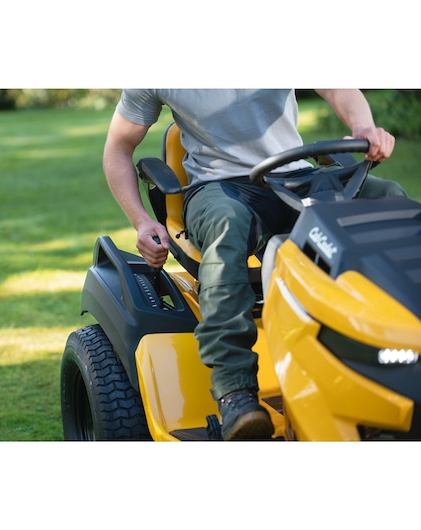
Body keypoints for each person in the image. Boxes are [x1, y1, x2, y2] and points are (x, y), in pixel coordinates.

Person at [102, 89, 406, 441]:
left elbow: (337, 87)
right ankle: (235, 393)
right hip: (218, 187)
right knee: (227, 226)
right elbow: (118, 148)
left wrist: (363, 126)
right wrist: (142, 222)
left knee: (389, 198)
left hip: (295, 174)